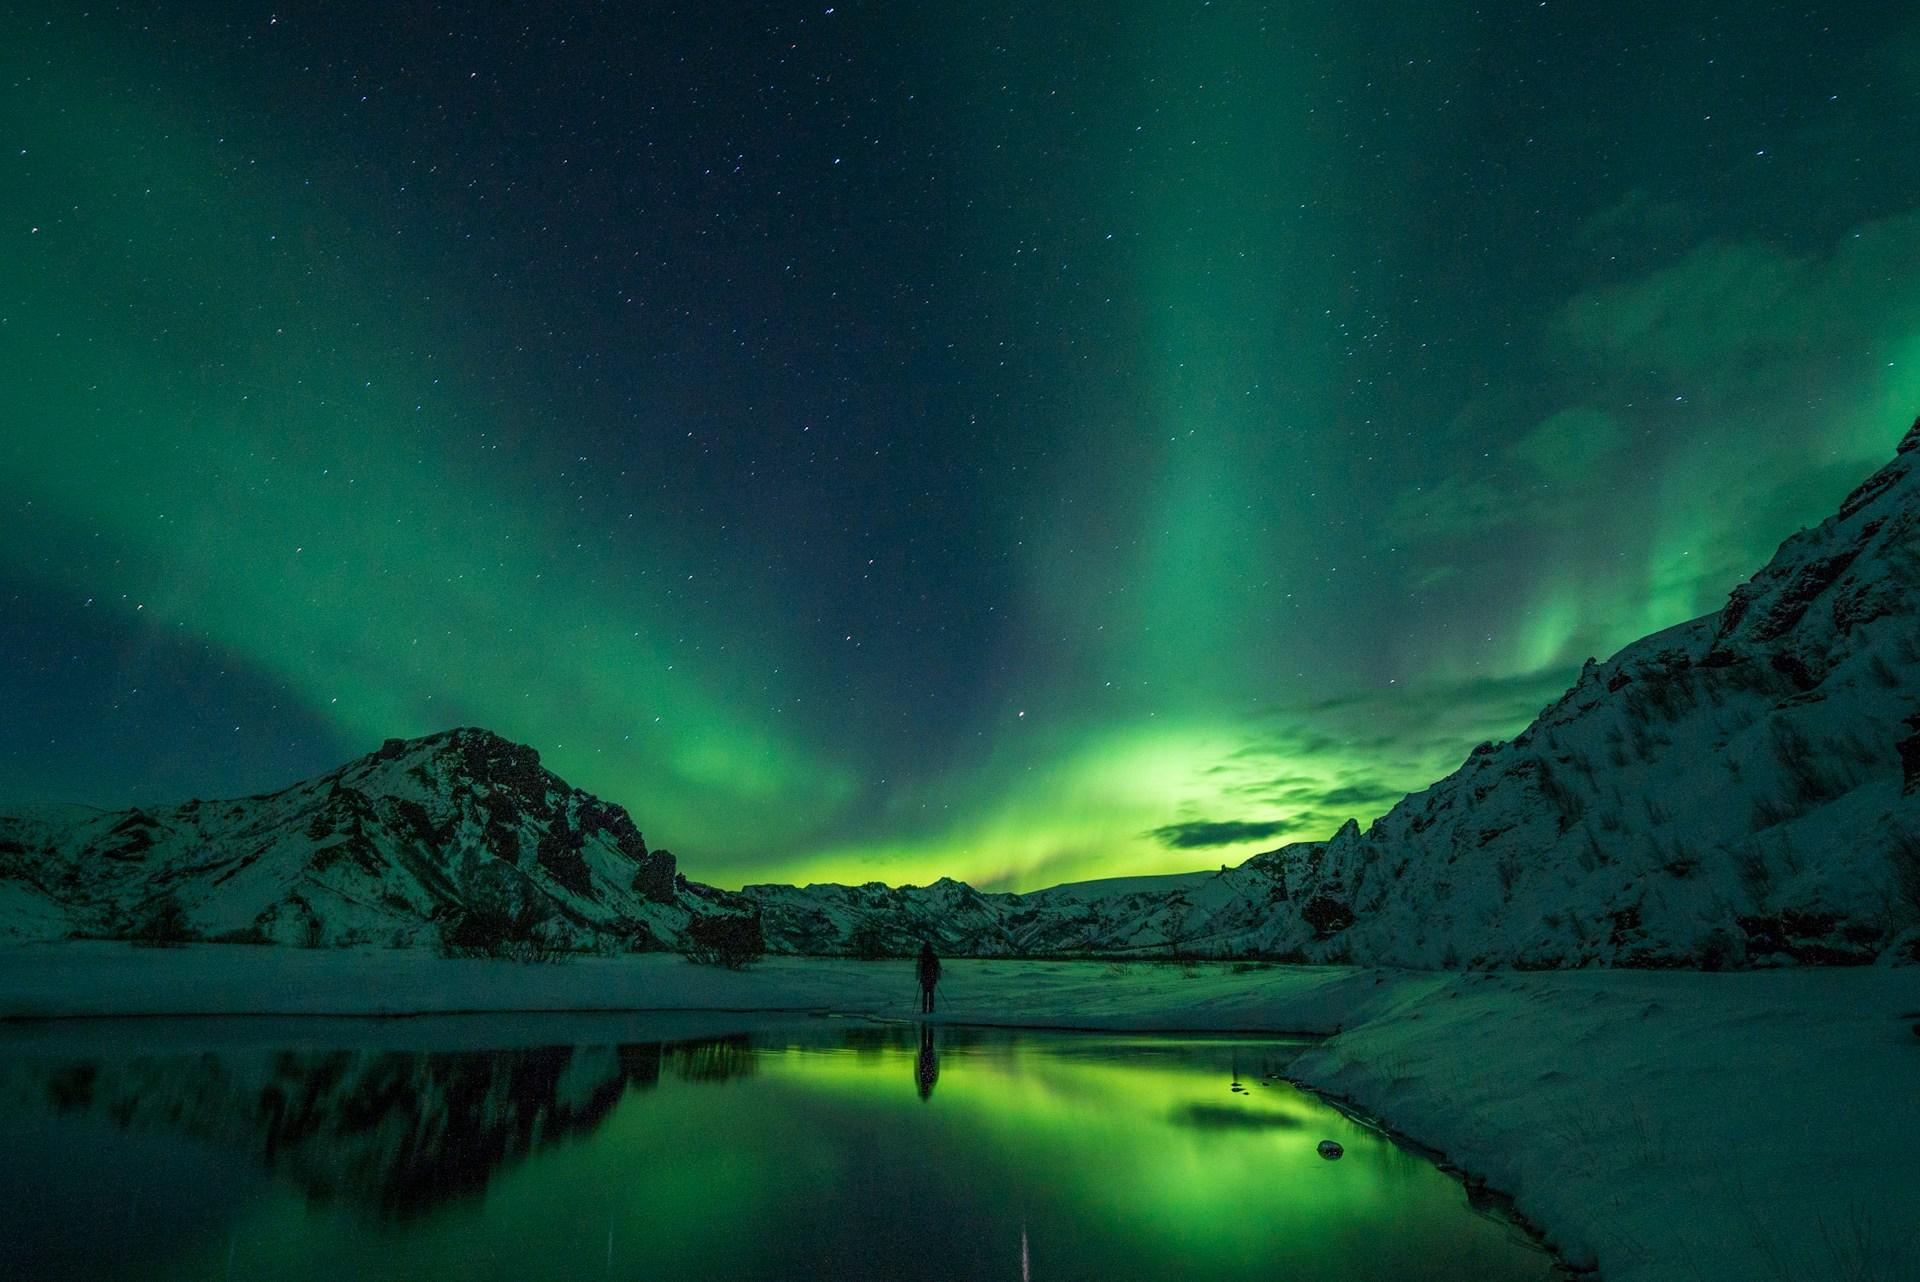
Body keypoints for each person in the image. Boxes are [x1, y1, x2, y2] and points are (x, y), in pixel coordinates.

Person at [916, 940, 941, 1014]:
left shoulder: (922, 956)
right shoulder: (933, 956)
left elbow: (919, 967)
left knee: (925, 993)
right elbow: (937, 967)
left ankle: (924, 1008)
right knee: (931, 993)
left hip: (924, 977)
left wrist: (919, 977)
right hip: (931, 977)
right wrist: (937, 977)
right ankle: (931, 1008)